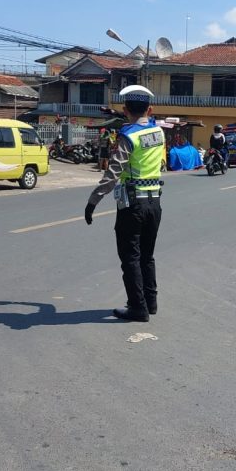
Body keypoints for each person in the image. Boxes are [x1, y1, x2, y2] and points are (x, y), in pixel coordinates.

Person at [84, 86, 165, 322]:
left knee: (130, 257)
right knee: (147, 256)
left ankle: (137, 307)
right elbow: (145, 125)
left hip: (133, 205)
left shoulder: (128, 136)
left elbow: (113, 173)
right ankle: (150, 302)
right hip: (154, 202)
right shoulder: (158, 133)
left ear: (124, 108)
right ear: (150, 109)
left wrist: (93, 201)